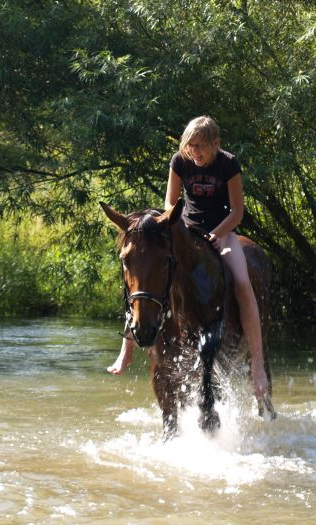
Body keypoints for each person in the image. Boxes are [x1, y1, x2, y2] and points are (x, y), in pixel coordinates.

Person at [107, 116, 269, 399]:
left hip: (223, 231)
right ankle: (126, 349)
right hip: (185, 230)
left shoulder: (228, 164)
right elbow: (171, 202)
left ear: (215, 144)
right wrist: (174, 224)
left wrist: (218, 234)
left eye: (200, 146)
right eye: (190, 145)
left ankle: (257, 364)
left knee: (243, 283)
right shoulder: (179, 161)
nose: (195, 152)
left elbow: (237, 213)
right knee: (149, 275)